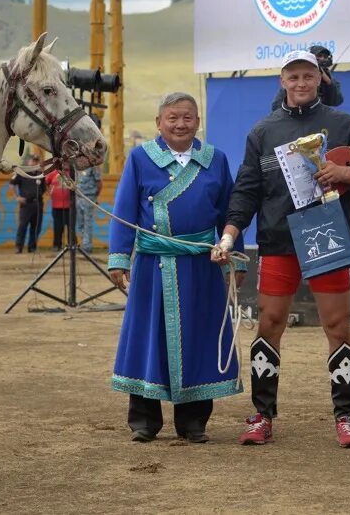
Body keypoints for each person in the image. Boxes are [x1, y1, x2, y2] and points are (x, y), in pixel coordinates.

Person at [213, 49, 350, 448]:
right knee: (269, 324)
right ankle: (262, 415)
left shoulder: (344, 124)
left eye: (308, 75)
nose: (301, 83)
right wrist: (230, 233)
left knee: (337, 326)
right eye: (293, 77)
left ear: (320, 78)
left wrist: (348, 172)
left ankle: (346, 416)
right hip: (277, 239)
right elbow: (247, 190)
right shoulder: (262, 132)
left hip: (326, 233)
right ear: (282, 81)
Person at [108, 92, 246, 443]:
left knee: (199, 337)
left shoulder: (215, 159)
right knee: (147, 338)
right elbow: (123, 210)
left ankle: (194, 422)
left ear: (198, 122)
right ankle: (144, 421)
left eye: (187, 117)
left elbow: (231, 212)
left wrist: (235, 258)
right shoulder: (140, 159)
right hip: (153, 268)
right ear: (159, 123)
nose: (180, 124)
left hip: (201, 266)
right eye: (172, 118)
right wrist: (120, 258)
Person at [270, 45, 343, 111]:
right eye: (319, 55)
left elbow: (337, 101)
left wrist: (327, 80)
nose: (322, 58)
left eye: (325, 56)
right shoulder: (294, 82)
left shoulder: (329, 79)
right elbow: (276, 106)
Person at [10, 154, 46, 254]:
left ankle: (32, 247)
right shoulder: (22, 173)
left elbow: (43, 189)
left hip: (38, 204)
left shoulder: (40, 174)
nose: (34, 162)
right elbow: (12, 184)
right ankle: (19, 246)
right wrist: (16, 197)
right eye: (33, 160)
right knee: (22, 226)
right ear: (28, 162)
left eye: (36, 161)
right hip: (26, 204)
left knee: (36, 227)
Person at [76, 162, 103, 253]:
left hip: (89, 196)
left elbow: (99, 183)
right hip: (78, 196)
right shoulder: (77, 165)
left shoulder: (93, 165)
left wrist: (94, 196)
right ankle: (84, 242)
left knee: (87, 222)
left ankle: (87, 246)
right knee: (80, 223)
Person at [45, 164, 71, 250]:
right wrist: (49, 192)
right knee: (57, 227)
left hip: (70, 206)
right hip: (56, 206)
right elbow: (45, 182)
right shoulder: (53, 173)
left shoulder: (71, 173)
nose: (64, 164)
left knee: (71, 228)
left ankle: (71, 245)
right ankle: (57, 245)